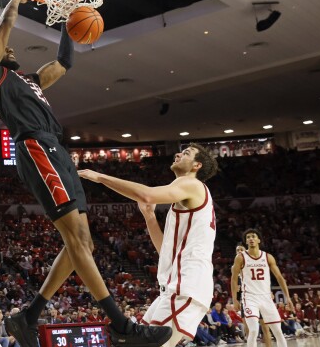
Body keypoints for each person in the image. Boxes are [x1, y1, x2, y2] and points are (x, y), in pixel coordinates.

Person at [0, 0, 171, 347]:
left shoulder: (30, 79)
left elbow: (64, 62)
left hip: (56, 148)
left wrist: (68, 21)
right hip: (35, 147)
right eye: (7, 51)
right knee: (77, 239)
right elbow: (5, 26)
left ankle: (28, 317)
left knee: (85, 243)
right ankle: (121, 325)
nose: (13, 51)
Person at [79, 143, 219, 347]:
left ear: (197, 165)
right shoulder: (185, 195)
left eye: (186, 153)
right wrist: (149, 216)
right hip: (175, 286)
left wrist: (100, 178)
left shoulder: (192, 185)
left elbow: (147, 194)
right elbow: (165, 251)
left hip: (187, 284)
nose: (178, 153)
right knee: (136, 343)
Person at [230, 229, 292, 347]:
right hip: (249, 297)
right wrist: (234, 299)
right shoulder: (240, 257)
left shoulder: (268, 257)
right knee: (253, 330)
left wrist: (288, 297)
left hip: (266, 297)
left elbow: (279, 277)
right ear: (246, 241)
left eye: (253, 236)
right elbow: (233, 279)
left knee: (278, 332)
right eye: (248, 237)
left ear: (258, 240)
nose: (251, 239)